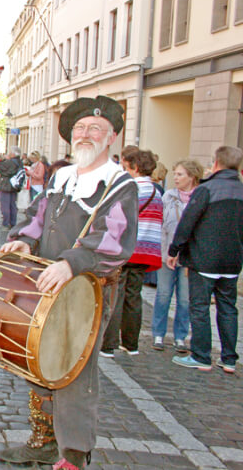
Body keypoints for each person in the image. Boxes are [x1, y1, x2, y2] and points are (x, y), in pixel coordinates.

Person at [0, 96, 139, 469]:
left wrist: (70, 263)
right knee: (37, 359)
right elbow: (38, 215)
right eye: (79, 128)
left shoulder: (119, 184)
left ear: (111, 138)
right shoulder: (61, 176)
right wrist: (23, 239)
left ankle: (74, 453)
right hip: (45, 284)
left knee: (74, 369)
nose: (86, 134)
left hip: (87, 291)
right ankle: (43, 441)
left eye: (95, 129)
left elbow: (115, 242)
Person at [169, 146, 243, 374]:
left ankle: (201, 356)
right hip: (232, 260)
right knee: (228, 308)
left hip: (205, 258)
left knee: (200, 307)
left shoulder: (206, 190)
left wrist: (175, 250)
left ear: (216, 163)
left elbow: (187, 222)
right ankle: (229, 358)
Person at [101, 148, 162, 357]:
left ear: (134, 167)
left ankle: (108, 344)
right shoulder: (156, 191)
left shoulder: (130, 188)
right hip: (147, 250)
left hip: (127, 248)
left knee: (114, 296)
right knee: (134, 296)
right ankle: (131, 343)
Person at [151, 159, 203, 353]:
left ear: (192, 176)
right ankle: (158, 333)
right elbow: (162, 226)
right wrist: (163, 252)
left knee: (185, 298)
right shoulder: (169, 196)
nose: (176, 178)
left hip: (190, 257)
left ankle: (180, 337)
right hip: (167, 253)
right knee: (163, 294)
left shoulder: (200, 197)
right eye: (175, 174)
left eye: (180, 174)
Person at [0, 146, 24, 228]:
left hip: (6, 184)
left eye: (10, 152)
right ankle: (12, 222)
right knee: (12, 205)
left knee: (5, 205)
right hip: (14, 186)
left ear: (13, 154)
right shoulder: (19, 162)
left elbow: (0, 167)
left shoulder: (10, 162)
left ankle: (5, 223)